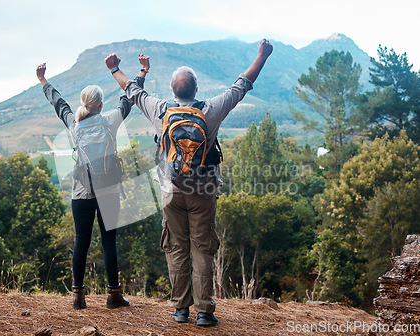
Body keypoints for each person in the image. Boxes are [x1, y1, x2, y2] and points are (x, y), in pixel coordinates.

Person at [104, 40, 273, 326]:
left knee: (177, 248)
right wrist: (262, 56)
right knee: (202, 249)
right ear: (196, 89)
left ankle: (181, 309)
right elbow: (242, 85)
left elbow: (132, 91)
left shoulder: (159, 109)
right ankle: (205, 311)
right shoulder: (211, 110)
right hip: (203, 192)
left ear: (172, 90)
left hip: (171, 192)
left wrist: (115, 69)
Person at [36, 62, 147, 310]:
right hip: (108, 191)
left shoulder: (75, 125)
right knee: (109, 243)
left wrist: (44, 81)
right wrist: (142, 73)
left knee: (81, 242)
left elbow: (60, 105)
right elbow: (128, 98)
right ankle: (114, 295)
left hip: (82, 193)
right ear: (100, 105)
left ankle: (78, 297)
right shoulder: (110, 120)